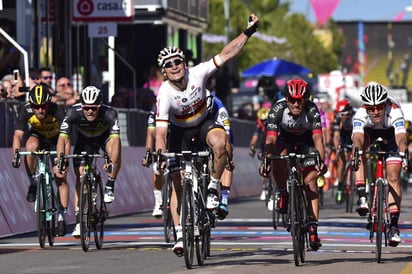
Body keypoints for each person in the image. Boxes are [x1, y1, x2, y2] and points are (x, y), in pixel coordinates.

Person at [155, 13, 259, 256]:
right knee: (177, 184)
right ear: (164, 71)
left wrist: (248, 32)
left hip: (204, 122)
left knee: (221, 142)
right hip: (178, 131)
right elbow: (161, 132)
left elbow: (227, 53)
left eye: (177, 62)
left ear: (184, 63)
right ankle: (180, 235)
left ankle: (213, 186)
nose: (174, 67)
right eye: (168, 65)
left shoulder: (198, 73)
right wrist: (160, 154)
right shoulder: (164, 93)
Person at [260, 77, 327, 251]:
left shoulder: (312, 109)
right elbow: (271, 138)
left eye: (300, 100)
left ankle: (313, 228)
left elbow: (318, 139)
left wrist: (321, 160)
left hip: (305, 141)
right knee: (277, 155)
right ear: (286, 98)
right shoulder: (278, 108)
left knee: (310, 183)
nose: (296, 104)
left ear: (306, 99)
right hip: (283, 138)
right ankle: (283, 192)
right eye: (292, 100)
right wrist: (266, 159)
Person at [56, 86, 122, 237]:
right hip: (84, 141)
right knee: (81, 177)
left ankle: (110, 184)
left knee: (116, 149)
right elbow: (63, 139)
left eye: (94, 108)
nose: (90, 111)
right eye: (86, 108)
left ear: (100, 106)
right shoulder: (73, 112)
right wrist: (61, 158)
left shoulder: (110, 113)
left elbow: (115, 142)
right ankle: (79, 221)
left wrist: (111, 160)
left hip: (104, 139)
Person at [351, 82, 408, 247]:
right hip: (370, 134)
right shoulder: (361, 113)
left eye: (379, 107)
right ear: (366, 107)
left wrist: (403, 155)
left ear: (385, 104)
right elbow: (357, 137)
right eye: (372, 108)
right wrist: (357, 150)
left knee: (393, 177)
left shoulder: (395, 110)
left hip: (391, 136)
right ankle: (362, 196)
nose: (375, 111)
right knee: (357, 151)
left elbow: (401, 138)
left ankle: (394, 227)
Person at [11, 83, 69, 236]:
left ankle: (62, 217)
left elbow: (66, 138)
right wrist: (16, 155)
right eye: (37, 107)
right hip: (38, 136)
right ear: (32, 105)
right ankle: (33, 183)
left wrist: (63, 158)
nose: (41, 110)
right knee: (30, 147)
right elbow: (17, 135)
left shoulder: (57, 110)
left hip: (57, 139)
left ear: (48, 103)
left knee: (60, 176)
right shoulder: (26, 110)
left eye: (43, 106)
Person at [332, 99, 355, 204]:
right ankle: (340, 188)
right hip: (344, 136)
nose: (342, 117)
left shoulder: (357, 116)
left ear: (350, 112)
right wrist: (338, 149)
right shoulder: (338, 118)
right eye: (340, 114)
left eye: (344, 114)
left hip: (356, 135)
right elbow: (336, 136)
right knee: (341, 163)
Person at [249, 102, 271, 202]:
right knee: (263, 163)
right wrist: (252, 147)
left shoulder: (274, 120)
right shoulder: (259, 124)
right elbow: (255, 137)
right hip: (264, 143)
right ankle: (265, 187)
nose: (264, 122)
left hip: (273, 142)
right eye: (262, 120)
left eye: (265, 120)